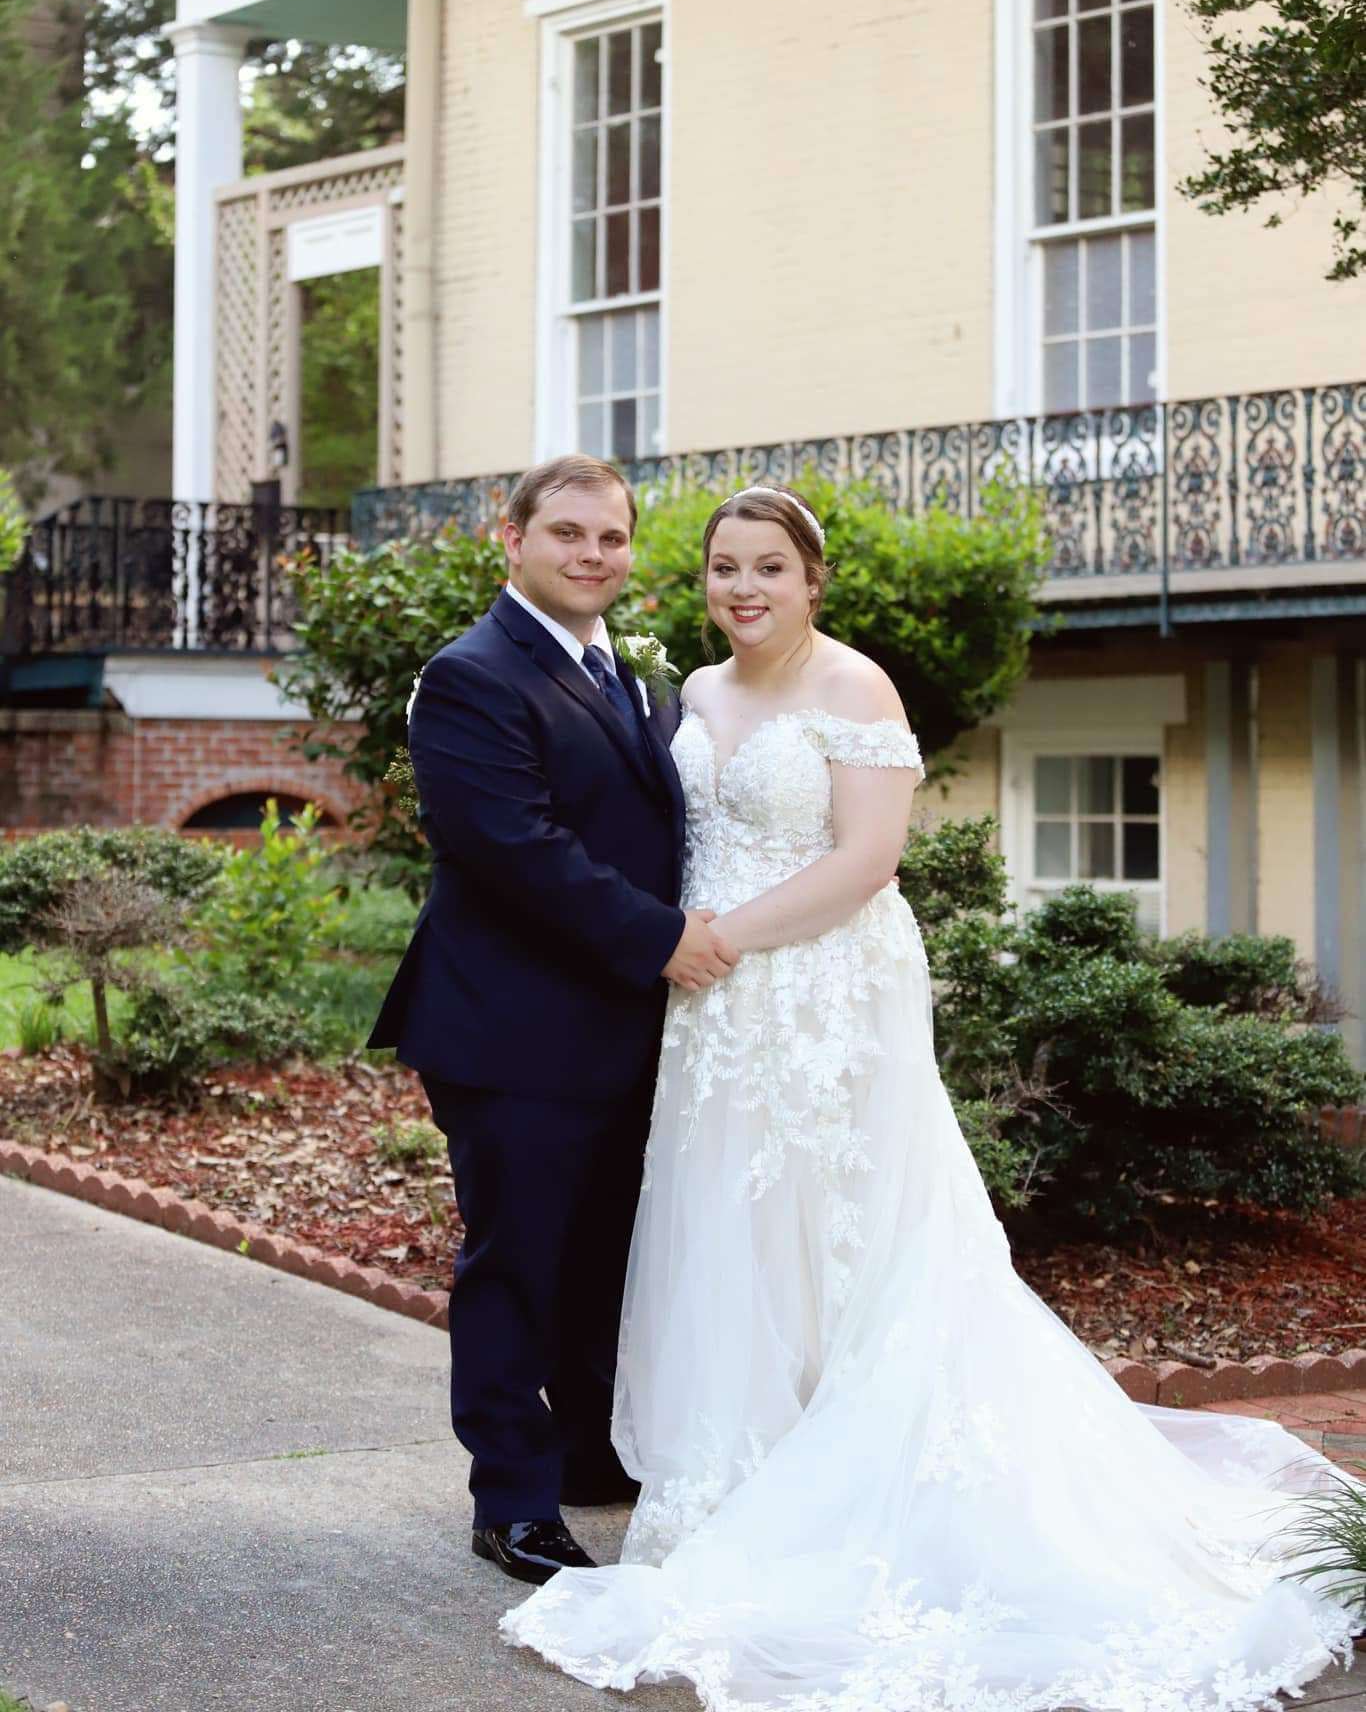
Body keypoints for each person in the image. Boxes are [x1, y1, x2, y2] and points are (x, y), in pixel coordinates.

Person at [501, 482, 1363, 1712]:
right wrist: (682, 950)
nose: (742, 588)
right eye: (722, 567)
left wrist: (710, 939)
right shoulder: (691, 692)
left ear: (813, 580)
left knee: (851, 1229)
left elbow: (864, 862)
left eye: (769, 569)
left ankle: (861, 1481)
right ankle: (744, 1476)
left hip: (820, 994)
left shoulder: (857, 690)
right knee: (733, 1232)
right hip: (718, 1012)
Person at [369, 454, 738, 1588]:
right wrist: (662, 936)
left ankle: (589, 1451)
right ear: (513, 537)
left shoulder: (630, 674)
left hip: (629, 1026)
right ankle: (512, 1499)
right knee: (515, 1263)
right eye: (568, 532)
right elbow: (515, 847)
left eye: (611, 537)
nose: (592, 554)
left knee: (604, 1261)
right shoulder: (471, 674)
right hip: (509, 1027)